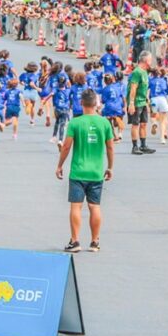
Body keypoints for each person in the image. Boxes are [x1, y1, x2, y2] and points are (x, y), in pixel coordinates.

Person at [56, 89, 114, 253]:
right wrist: (109, 167)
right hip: (96, 172)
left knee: (76, 206)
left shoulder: (75, 123)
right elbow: (110, 147)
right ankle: (95, 241)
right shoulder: (104, 123)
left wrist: (60, 165)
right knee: (94, 206)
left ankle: (75, 241)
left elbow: (66, 146)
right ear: (96, 104)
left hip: (78, 172)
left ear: (81, 103)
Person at [126, 50, 156, 155]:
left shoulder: (145, 72)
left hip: (143, 101)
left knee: (143, 124)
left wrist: (147, 101)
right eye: (150, 59)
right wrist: (131, 103)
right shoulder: (137, 72)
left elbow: (145, 88)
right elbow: (133, 88)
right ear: (145, 60)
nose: (151, 61)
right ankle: (135, 146)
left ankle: (143, 145)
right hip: (136, 102)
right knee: (135, 124)